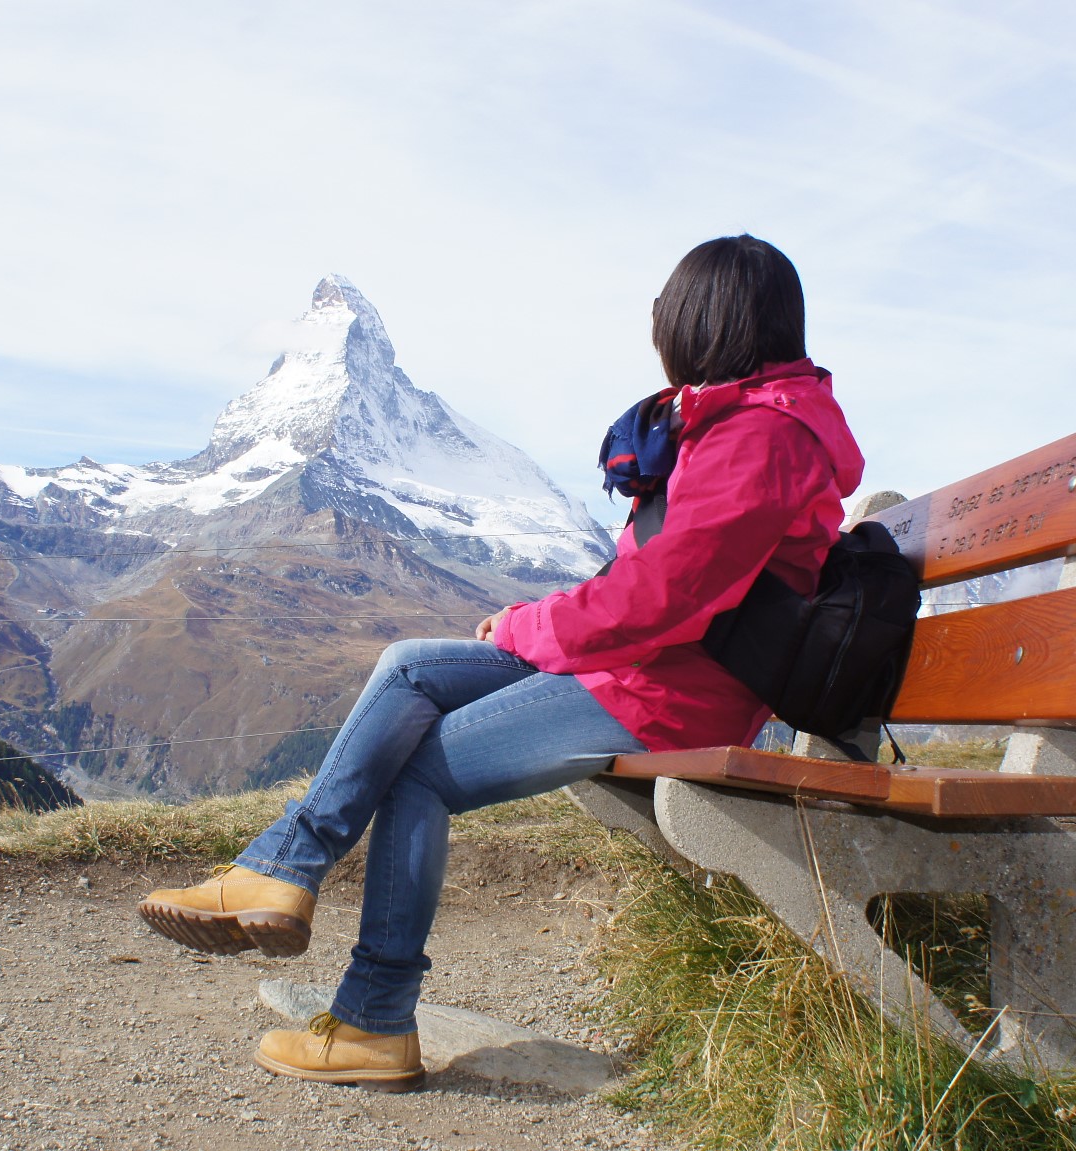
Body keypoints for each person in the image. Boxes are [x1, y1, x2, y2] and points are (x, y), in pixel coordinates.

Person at [137, 234, 864, 1091]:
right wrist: (532, 622)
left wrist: (530, 631)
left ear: (704, 319)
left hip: (673, 690)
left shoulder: (761, 436)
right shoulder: (730, 419)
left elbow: (666, 597)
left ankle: (373, 1019)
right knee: (410, 666)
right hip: (640, 666)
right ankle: (281, 869)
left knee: (419, 772)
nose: (658, 325)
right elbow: (648, 584)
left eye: (667, 310)